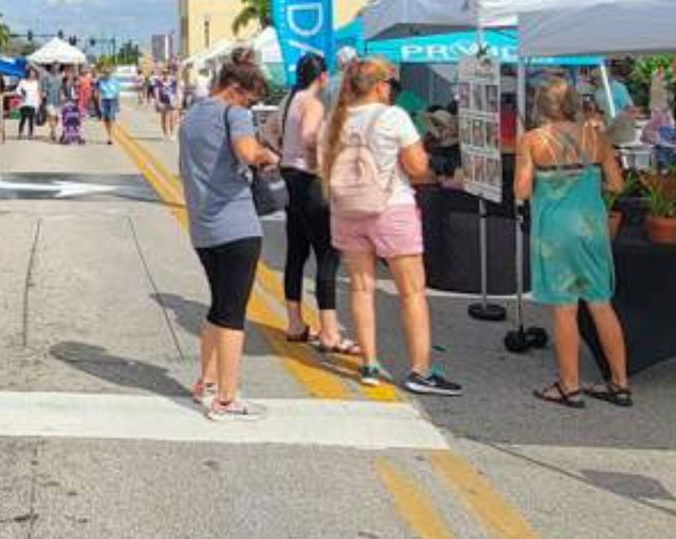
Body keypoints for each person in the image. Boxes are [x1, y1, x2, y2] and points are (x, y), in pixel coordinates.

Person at [324, 57, 462, 396]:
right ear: (379, 86)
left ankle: (369, 363)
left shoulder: (333, 120)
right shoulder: (393, 116)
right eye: (389, 83)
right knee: (412, 292)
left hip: (346, 210)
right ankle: (420, 369)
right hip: (391, 208)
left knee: (361, 289)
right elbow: (416, 167)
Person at [515, 75, 630, 409]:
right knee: (600, 303)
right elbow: (617, 185)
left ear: (540, 107)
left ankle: (570, 385)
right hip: (591, 226)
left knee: (565, 309)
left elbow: (521, 191)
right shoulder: (595, 138)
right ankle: (620, 383)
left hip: (554, 230)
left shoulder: (533, 140)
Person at [177, 48, 279, 420]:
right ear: (235, 88)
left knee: (219, 305)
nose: (250, 107)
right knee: (234, 314)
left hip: (203, 226)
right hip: (236, 225)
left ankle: (204, 382)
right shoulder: (234, 113)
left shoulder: (192, 116)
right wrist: (267, 157)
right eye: (250, 99)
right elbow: (247, 151)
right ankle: (226, 396)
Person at [279, 53, 357, 358]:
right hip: (308, 180)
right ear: (322, 76)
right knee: (328, 253)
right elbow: (311, 138)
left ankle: (295, 323)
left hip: (289, 178)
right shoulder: (312, 103)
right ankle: (330, 330)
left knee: (296, 252)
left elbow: (273, 133)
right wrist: (325, 158)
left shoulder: (288, 100)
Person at [15, 71, 44, 140]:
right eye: (31, 73)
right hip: (24, 102)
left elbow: (39, 91)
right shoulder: (23, 81)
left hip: (33, 103)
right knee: (23, 118)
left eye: (33, 73)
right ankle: (20, 133)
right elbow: (17, 90)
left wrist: (40, 100)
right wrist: (22, 94)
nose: (32, 75)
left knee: (31, 119)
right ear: (28, 74)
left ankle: (30, 134)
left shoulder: (36, 82)